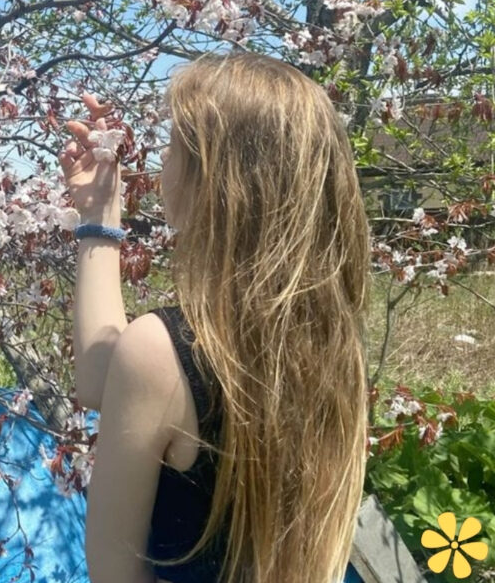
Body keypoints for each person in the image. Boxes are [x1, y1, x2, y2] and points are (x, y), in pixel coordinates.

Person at [58, 50, 372, 583]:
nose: (162, 159)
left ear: (215, 180)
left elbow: (113, 573)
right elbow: (100, 383)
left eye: (175, 145)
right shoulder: (334, 346)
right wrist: (98, 219)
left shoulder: (161, 350)